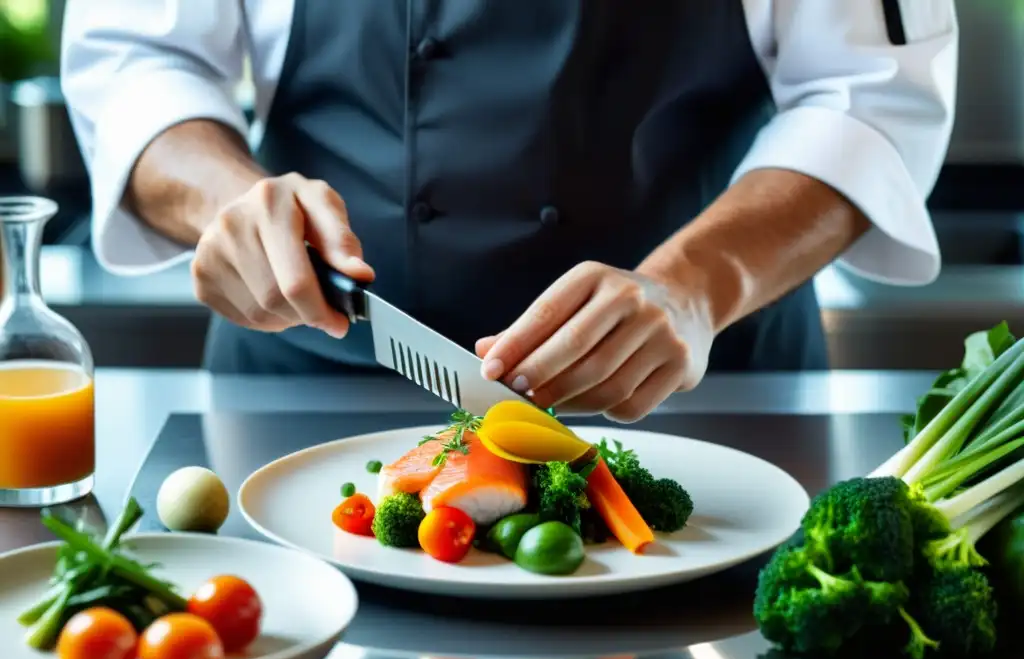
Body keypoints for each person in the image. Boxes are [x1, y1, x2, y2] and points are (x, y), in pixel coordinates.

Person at [61, 1, 957, 421]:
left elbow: (872, 95)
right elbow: (138, 55)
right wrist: (228, 204)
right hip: (313, 398)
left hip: (701, 408)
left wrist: (697, 285)